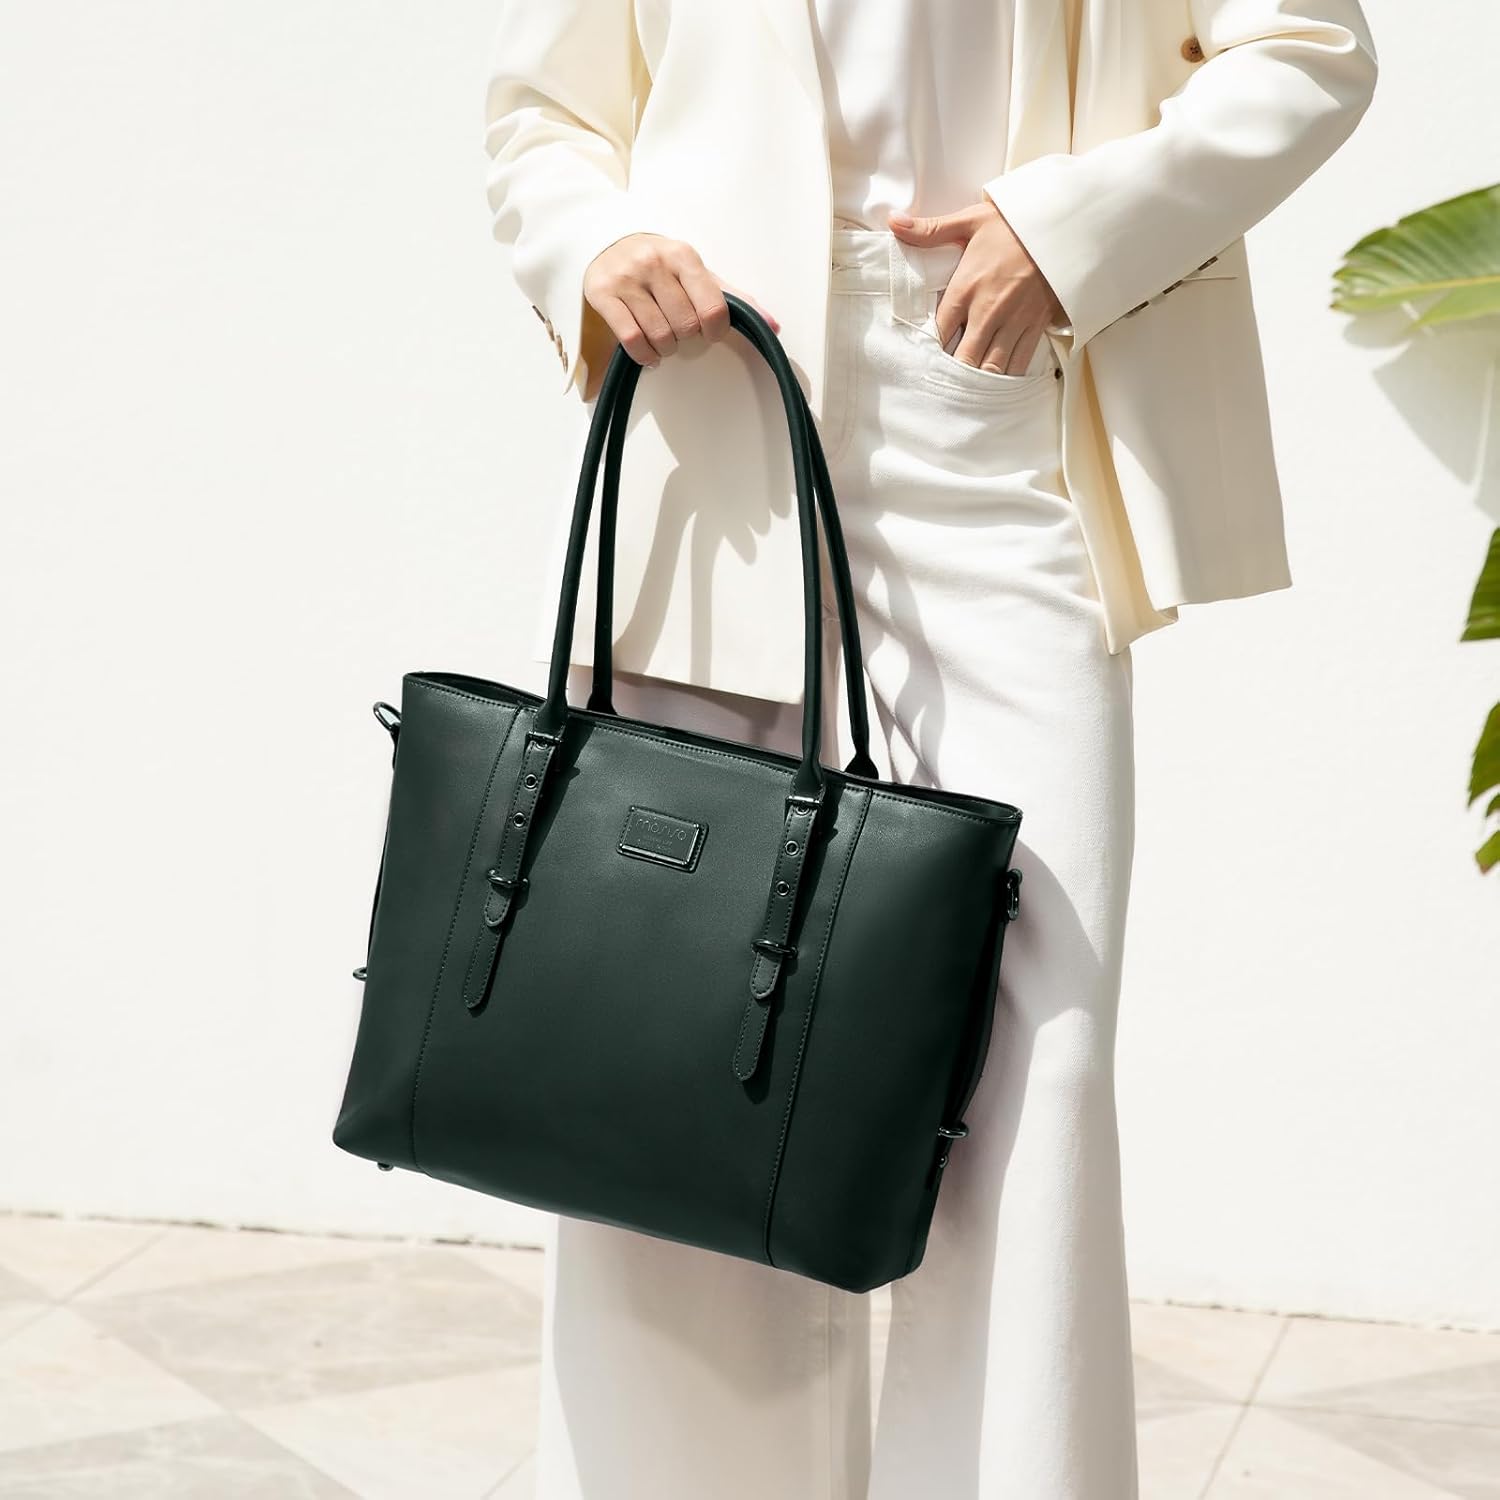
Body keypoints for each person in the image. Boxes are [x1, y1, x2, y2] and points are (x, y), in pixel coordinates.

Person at [481, 1, 1377, 1495]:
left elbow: (1309, 46)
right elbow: (545, 115)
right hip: (719, 411)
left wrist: (1071, 230)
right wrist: (596, 241)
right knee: (680, 1050)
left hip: (990, 410)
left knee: (1036, 1057)